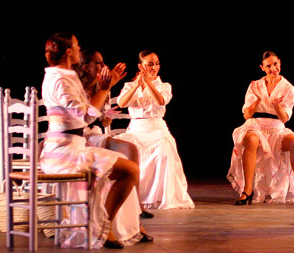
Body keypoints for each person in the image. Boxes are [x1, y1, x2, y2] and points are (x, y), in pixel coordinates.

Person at [39, 33, 152, 249]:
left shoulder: (61, 76)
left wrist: (107, 88)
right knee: (130, 171)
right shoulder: (61, 80)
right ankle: (104, 227)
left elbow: (90, 114)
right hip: (65, 152)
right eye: (77, 44)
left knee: (124, 165)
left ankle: (112, 225)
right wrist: (104, 88)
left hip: (71, 147)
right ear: (70, 51)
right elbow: (85, 117)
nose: (79, 47)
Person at [77, 49, 154, 218]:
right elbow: (83, 119)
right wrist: (106, 87)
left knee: (130, 149)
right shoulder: (75, 86)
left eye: (103, 61)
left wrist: (108, 115)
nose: (104, 66)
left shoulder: (102, 85)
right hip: (75, 136)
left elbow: (103, 122)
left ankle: (137, 205)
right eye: (98, 63)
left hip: (90, 134)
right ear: (84, 67)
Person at [226, 51, 294, 205]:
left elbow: (284, 118)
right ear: (262, 68)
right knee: (250, 139)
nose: (273, 68)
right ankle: (247, 191)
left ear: (280, 63)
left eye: (275, 64)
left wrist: (276, 106)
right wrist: (256, 101)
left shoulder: (288, 88)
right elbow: (246, 115)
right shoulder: (255, 85)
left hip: (276, 127)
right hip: (256, 125)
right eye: (268, 66)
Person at [116, 50, 195, 210]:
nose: (154, 67)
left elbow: (160, 101)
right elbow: (122, 103)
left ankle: (157, 197)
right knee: (124, 151)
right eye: (150, 63)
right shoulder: (129, 85)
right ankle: (130, 196)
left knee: (163, 152)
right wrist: (137, 85)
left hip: (157, 129)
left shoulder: (164, 86)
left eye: (157, 63)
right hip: (136, 130)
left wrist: (149, 83)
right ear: (141, 66)